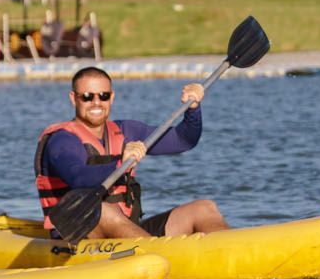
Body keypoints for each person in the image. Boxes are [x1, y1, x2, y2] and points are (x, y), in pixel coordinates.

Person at [35, 64, 228, 238]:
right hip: (78, 234)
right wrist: (120, 163)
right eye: (87, 96)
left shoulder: (126, 131)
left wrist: (193, 110)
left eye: (103, 96)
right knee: (104, 210)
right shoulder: (61, 140)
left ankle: (231, 250)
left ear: (112, 97)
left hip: (127, 231)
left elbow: (183, 140)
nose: (96, 102)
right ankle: (160, 256)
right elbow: (77, 176)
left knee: (204, 208)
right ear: (73, 98)